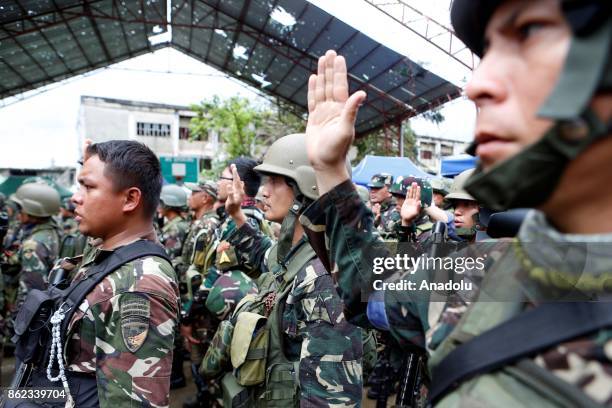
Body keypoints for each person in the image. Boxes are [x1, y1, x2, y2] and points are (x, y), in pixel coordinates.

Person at [301, 0, 612, 403]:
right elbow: (371, 293)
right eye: (487, 52)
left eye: (530, 32)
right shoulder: (477, 272)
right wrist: (331, 171)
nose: (476, 85)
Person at [9, 140, 180, 407]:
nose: (75, 197)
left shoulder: (138, 285)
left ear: (131, 199)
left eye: (88, 187)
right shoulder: (107, 248)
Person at [208, 133, 364, 406]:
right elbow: (263, 255)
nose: (263, 191)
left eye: (275, 181)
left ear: (307, 188)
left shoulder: (323, 280)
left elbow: (330, 399)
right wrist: (236, 214)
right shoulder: (295, 255)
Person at [8, 182, 61, 307]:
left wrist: (15, 323)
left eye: (20, 208)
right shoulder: (52, 230)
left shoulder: (33, 245)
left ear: (32, 210)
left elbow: (30, 293)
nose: (18, 212)